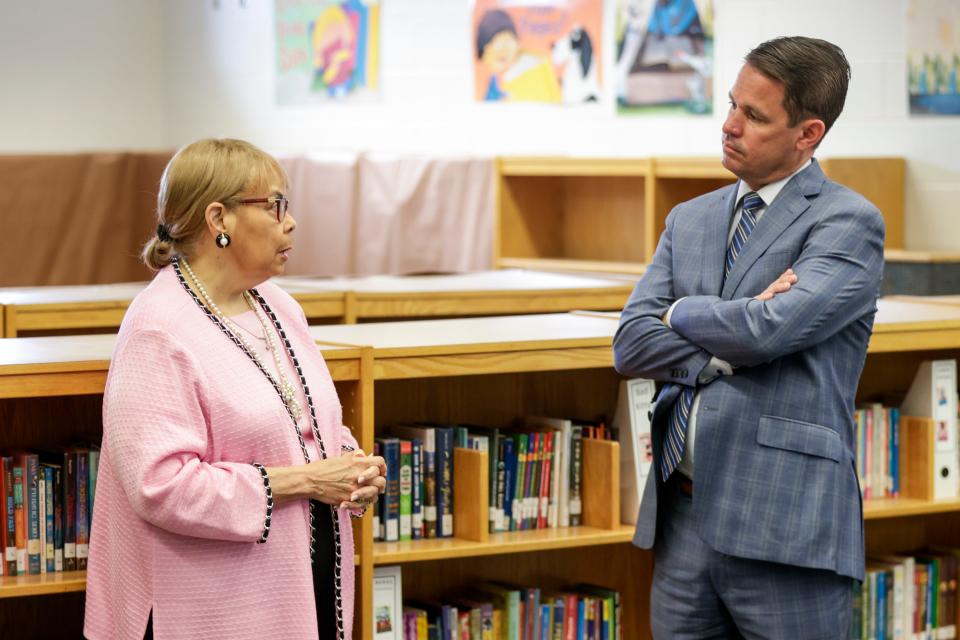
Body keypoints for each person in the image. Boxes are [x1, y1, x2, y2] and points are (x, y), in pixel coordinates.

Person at [613, 36, 884, 638]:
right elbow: (631, 342)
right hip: (681, 521)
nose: (729, 126)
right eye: (733, 104)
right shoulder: (691, 218)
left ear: (808, 134)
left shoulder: (846, 221)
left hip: (784, 525)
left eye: (754, 116)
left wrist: (679, 309)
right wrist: (723, 344)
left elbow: (770, 330)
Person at [84, 138, 387, 640]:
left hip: (300, 578)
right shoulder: (157, 328)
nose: (289, 222)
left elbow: (302, 424)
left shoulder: (280, 306)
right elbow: (161, 486)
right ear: (218, 218)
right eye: (274, 206)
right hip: (208, 605)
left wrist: (352, 466)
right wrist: (307, 482)